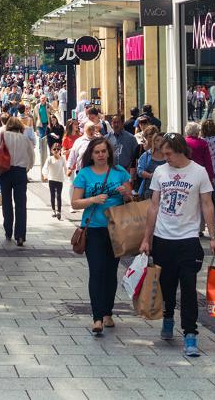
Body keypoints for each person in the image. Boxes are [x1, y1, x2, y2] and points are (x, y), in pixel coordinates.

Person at [140, 134, 215, 357]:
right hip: (163, 238)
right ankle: (167, 315)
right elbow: (154, 206)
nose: (165, 158)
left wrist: (212, 236)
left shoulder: (199, 172)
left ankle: (190, 334)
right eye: (163, 154)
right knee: (166, 284)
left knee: (188, 287)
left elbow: (207, 205)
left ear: (181, 151)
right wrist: (147, 238)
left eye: (168, 154)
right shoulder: (161, 172)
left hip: (188, 239)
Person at [72, 137, 134, 335]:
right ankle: (97, 317)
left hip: (117, 228)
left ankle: (108, 312)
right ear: (91, 154)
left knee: (110, 272)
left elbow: (131, 198)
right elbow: (75, 203)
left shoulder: (119, 173)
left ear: (109, 153)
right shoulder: (85, 174)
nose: (100, 155)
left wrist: (126, 192)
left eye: (103, 151)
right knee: (97, 271)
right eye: (97, 152)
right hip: (94, 229)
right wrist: (93, 199)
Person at [0, 116, 35, 245]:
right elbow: (31, 157)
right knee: (21, 204)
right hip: (20, 172)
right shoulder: (25, 138)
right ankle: (20, 235)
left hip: (5, 171)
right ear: (20, 126)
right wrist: (27, 168)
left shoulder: (2, 135)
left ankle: (8, 230)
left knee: (7, 202)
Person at [107, 114, 141, 180]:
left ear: (122, 124)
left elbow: (135, 157)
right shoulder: (106, 138)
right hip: (111, 173)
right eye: (114, 122)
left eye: (118, 122)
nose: (116, 124)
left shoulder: (131, 138)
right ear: (111, 124)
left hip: (126, 173)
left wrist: (132, 175)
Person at [136, 134, 167, 198]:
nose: (160, 142)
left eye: (162, 140)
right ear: (153, 142)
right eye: (157, 140)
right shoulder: (147, 155)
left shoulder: (168, 155)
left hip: (165, 189)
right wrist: (150, 175)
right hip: (149, 189)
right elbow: (139, 171)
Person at [43, 143, 67, 219]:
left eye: (58, 149)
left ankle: (59, 211)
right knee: (52, 195)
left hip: (59, 179)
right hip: (51, 179)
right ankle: (53, 210)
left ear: (60, 150)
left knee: (59, 196)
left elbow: (66, 168)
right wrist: (45, 175)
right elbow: (45, 168)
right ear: (51, 150)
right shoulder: (49, 159)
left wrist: (68, 174)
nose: (56, 150)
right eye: (54, 149)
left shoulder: (63, 158)